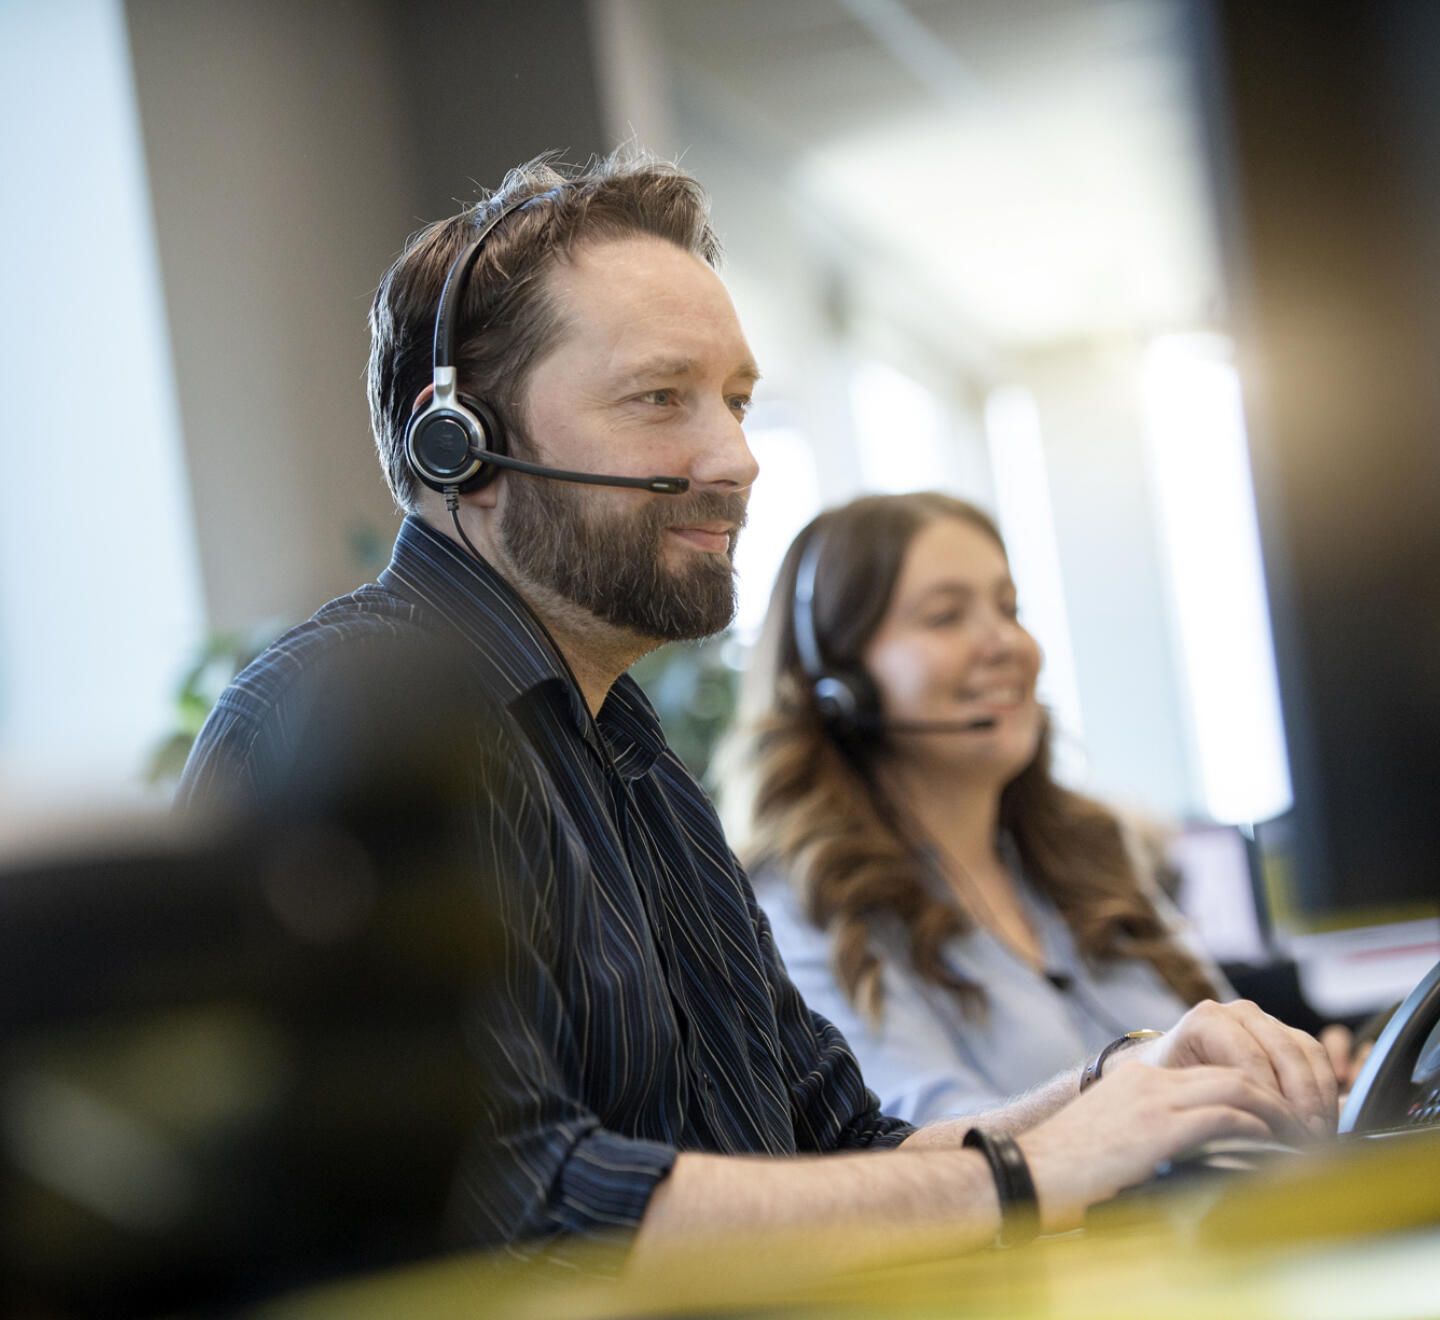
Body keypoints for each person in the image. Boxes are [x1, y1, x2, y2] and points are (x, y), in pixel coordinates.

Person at [179, 151, 1338, 1275]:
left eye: (735, 401)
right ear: (461, 442)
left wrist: (1126, 1089)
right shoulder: (339, 726)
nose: (734, 458)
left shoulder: (638, 767)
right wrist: (1030, 1178)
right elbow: (526, 1206)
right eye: (659, 399)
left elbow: (842, 1152)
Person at [724, 492, 1239, 1124]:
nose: (1008, 644)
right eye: (946, 616)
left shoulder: (1089, 851)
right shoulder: (807, 903)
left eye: (1009, 608)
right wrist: (1141, 1084)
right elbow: (919, 1141)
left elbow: (1225, 1030)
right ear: (839, 687)